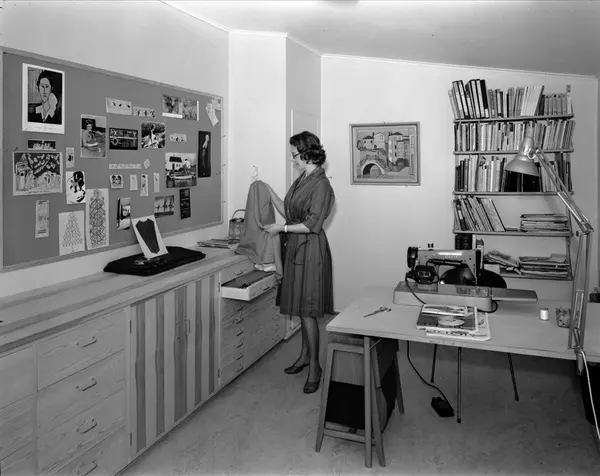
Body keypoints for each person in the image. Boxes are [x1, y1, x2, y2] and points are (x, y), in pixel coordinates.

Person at [263, 131, 335, 394]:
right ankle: (305, 356)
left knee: (307, 311)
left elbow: (311, 224)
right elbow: (288, 210)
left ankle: (315, 367)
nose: (292, 159)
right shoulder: (303, 179)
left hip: (311, 250)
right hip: (296, 248)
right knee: (300, 307)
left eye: (294, 155)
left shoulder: (321, 185)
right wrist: (267, 190)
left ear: (307, 154)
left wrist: (281, 229)